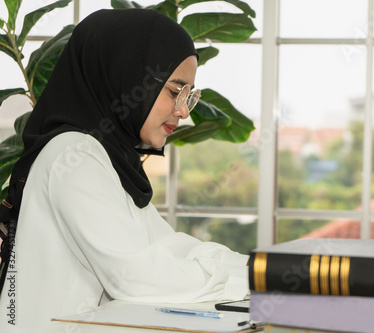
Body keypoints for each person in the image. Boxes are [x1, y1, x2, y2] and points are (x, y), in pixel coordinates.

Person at [0, 8, 249, 332]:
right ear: (125, 76)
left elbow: (166, 245)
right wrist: (247, 278)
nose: (183, 111)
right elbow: (135, 277)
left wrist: (258, 270)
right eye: (175, 91)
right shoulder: (74, 156)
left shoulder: (103, 155)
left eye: (190, 95)